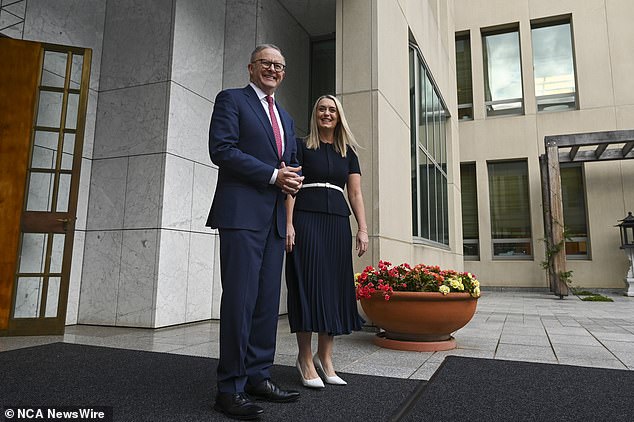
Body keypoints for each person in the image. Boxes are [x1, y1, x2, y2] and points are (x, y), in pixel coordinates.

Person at [207, 44, 304, 420]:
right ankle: (228, 388)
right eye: (266, 63)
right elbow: (222, 150)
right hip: (241, 215)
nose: (273, 70)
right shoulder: (231, 100)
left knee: (265, 304)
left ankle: (258, 377)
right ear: (251, 68)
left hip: (275, 221)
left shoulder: (287, 117)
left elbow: (291, 162)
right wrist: (272, 175)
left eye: (279, 65)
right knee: (240, 300)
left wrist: (292, 176)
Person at [285, 95, 369, 389]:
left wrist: (363, 228)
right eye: (321, 108)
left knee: (333, 288)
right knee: (308, 285)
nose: (326, 113)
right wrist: (289, 224)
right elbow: (292, 188)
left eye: (332, 109)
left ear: (339, 115)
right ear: (315, 114)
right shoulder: (301, 145)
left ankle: (326, 358)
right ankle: (305, 358)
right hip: (306, 221)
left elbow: (355, 193)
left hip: (336, 222)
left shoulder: (349, 152)